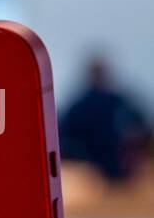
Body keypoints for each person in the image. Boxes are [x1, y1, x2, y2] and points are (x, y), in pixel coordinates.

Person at [58, 55, 151, 183]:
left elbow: (63, 137)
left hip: (105, 171)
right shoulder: (118, 102)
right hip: (99, 173)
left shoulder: (81, 105)